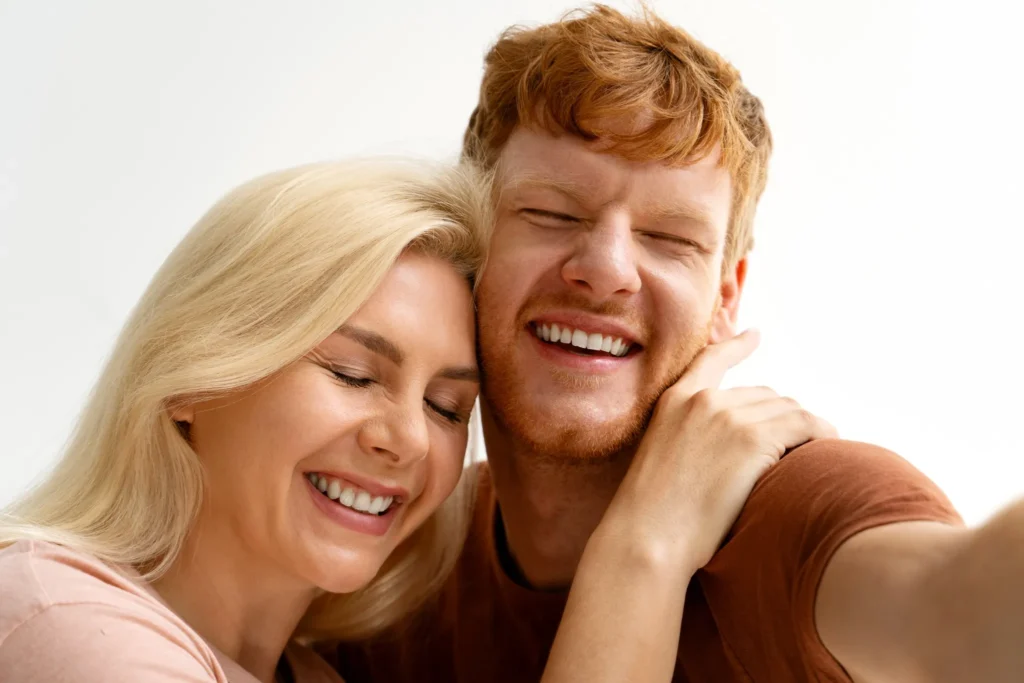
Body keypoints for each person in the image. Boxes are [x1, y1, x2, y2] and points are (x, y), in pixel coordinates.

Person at [332, 6, 1024, 683]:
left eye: (670, 239)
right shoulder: (388, 549)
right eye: (552, 213)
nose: (605, 270)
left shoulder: (805, 507)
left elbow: (963, 610)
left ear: (725, 297)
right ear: (472, 249)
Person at [0, 160, 491, 682]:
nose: (411, 440)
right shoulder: (66, 622)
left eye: (445, 407)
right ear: (190, 378)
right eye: (352, 375)